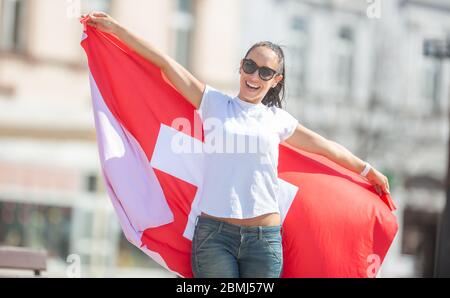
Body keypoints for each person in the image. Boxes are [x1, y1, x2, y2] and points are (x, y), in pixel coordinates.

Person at [82, 12, 391, 278]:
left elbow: (325, 147)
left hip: (264, 240)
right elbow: (165, 64)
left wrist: (368, 170)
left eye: (265, 72)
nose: (255, 76)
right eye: (250, 66)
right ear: (241, 67)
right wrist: (117, 31)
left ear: (276, 80)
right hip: (214, 238)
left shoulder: (277, 120)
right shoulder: (214, 103)